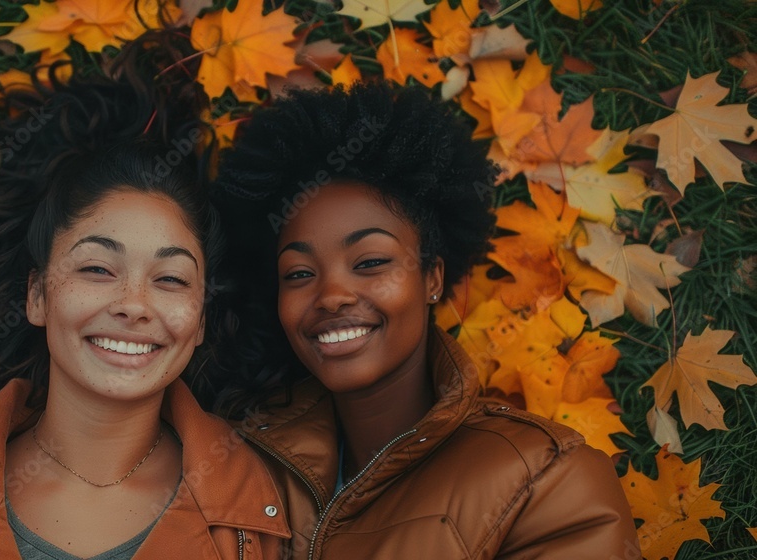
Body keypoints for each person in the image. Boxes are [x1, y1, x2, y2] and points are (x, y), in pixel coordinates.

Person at [0, 36, 289, 559]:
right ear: (36, 295)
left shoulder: (269, 513)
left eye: (170, 279)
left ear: (199, 321)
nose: (134, 304)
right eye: (99, 268)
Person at [212, 81, 640, 559]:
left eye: (371, 262)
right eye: (299, 273)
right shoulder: (234, 458)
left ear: (432, 277)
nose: (331, 295)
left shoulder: (545, 480)